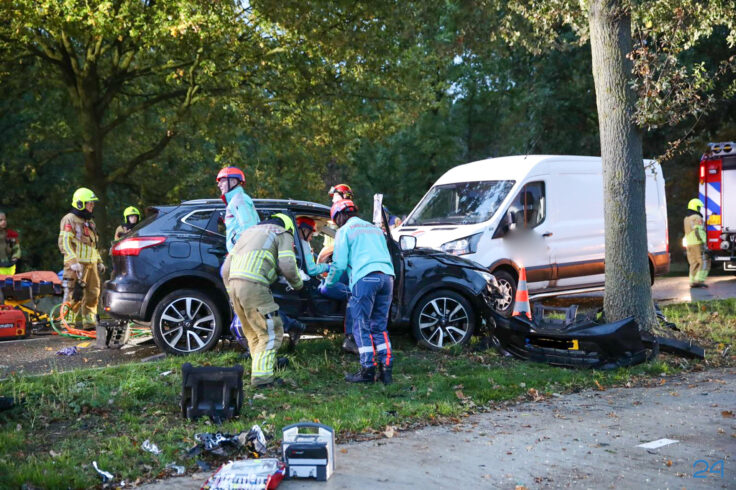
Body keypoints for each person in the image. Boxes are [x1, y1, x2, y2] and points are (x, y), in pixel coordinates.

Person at [221, 213, 303, 388]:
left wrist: (231, 293)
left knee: (254, 334)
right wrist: (298, 284)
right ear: (288, 227)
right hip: (254, 286)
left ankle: (264, 367)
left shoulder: (248, 233)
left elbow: (225, 269)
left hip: (234, 286)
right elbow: (287, 265)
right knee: (271, 332)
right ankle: (262, 380)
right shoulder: (282, 233)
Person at [323, 199, 395, 384]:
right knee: (379, 326)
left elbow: (339, 264)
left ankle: (367, 370)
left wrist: (328, 283)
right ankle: (386, 370)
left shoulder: (345, 230)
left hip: (365, 278)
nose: (337, 224)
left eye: (335, 220)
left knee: (361, 325)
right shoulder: (374, 229)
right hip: (387, 277)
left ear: (340, 216)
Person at [216, 166, 260, 351]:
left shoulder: (239, 200)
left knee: (244, 302)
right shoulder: (236, 200)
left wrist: (239, 251)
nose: (219, 185)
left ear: (233, 181)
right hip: (241, 254)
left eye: (221, 181)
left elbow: (248, 228)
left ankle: (254, 345)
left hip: (243, 255)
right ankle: (251, 344)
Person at [58, 188, 104, 329]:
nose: (92, 206)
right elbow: (64, 242)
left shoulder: (90, 222)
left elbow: (93, 245)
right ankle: (67, 321)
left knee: (93, 292)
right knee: (73, 293)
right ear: (80, 204)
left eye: (92, 203)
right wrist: (73, 262)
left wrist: (99, 261)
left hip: (91, 264)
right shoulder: (69, 219)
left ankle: (89, 320)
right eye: (90, 203)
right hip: (76, 265)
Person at [684, 198, 710, 288]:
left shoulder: (686, 219)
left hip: (689, 244)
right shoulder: (697, 218)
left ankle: (692, 281)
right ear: (696, 207)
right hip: (698, 243)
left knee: (693, 263)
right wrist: (705, 242)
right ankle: (699, 280)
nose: (699, 209)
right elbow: (699, 231)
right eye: (699, 207)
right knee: (704, 262)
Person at [0, 211, 21, 276]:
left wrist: (15, 257)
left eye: (5, 220)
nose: (4, 222)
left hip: (9, 266)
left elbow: (16, 248)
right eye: (0, 220)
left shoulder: (11, 235)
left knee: (9, 281)